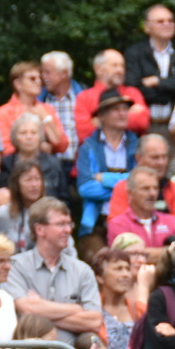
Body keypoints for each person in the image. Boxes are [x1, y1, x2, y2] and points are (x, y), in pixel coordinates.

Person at [2, 199, 101, 343]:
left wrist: (40, 307)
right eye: (61, 224)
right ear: (39, 229)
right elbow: (26, 309)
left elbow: (94, 321)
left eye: (69, 223)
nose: (68, 230)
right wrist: (75, 308)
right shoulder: (16, 266)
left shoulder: (82, 270)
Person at [74, 88, 140, 239]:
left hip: (131, 220)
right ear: (102, 116)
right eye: (116, 110)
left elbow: (141, 183)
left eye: (125, 109)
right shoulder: (88, 147)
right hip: (96, 222)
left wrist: (104, 178)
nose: (122, 113)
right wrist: (127, 187)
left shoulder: (137, 144)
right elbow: (85, 188)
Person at [125, 4, 175, 126]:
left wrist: (157, 81)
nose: (167, 24)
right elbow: (133, 88)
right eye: (160, 21)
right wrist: (174, 85)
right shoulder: (134, 53)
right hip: (144, 126)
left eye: (170, 20)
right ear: (147, 27)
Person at [0, 61, 68, 157]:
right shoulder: (3, 113)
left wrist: (46, 119)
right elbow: (4, 148)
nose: (38, 82)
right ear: (18, 84)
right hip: (15, 167)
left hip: (46, 167)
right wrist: (36, 147)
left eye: (40, 78)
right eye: (32, 79)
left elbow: (63, 145)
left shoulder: (48, 109)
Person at [107, 165, 175, 254]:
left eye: (155, 188)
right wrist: (169, 251)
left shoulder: (171, 221)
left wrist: (144, 252)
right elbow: (129, 255)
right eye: (145, 189)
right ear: (130, 194)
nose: (152, 193)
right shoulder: (119, 224)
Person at [72, 49, 148, 144]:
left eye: (122, 66)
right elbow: (83, 134)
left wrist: (99, 121)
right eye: (114, 65)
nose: (120, 70)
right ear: (98, 69)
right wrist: (129, 114)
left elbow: (142, 122)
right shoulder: (84, 97)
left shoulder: (132, 93)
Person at [0, 113, 70, 203]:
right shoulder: (6, 164)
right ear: (15, 137)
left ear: (40, 137)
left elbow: (64, 199)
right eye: (23, 133)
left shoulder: (54, 163)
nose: (29, 137)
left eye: (33, 132)